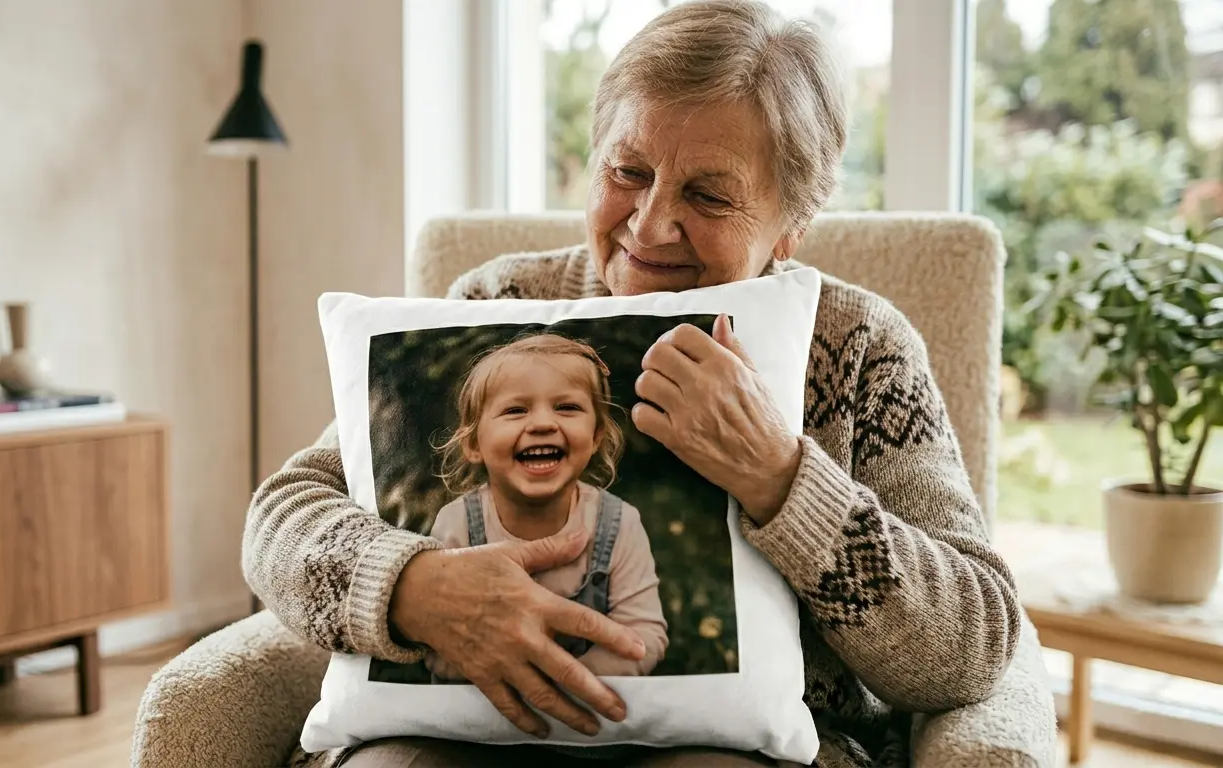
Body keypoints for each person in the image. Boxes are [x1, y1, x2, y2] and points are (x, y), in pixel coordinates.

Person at [245, 1, 1022, 766]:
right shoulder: (496, 305)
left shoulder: (857, 346)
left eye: (708, 195)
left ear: (793, 222)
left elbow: (975, 642)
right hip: (461, 735)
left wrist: (782, 479)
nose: (649, 226)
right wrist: (409, 586)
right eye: (629, 171)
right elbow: (281, 515)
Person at [423, 333, 668, 681]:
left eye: (567, 407)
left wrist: (569, 685)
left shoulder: (618, 523)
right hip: (482, 712)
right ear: (474, 443)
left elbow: (645, 635)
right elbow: (437, 640)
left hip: (589, 714)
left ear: (596, 436)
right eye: (515, 410)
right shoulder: (458, 522)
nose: (542, 424)